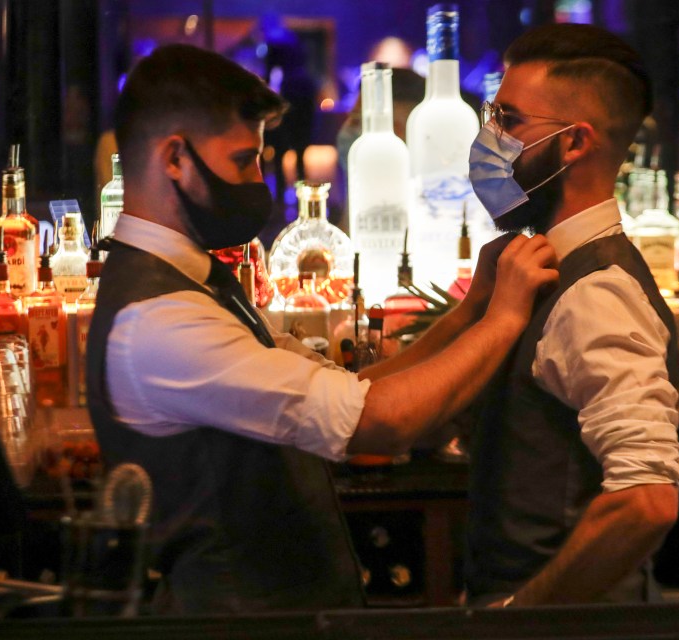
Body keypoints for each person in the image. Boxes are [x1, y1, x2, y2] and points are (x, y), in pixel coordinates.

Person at [86, 44, 558, 615]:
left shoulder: (190, 283)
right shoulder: (158, 321)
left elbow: (352, 386)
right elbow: (376, 422)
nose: (257, 183)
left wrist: (471, 310)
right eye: (243, 161)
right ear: (174, 159)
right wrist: (506, 317)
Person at [464, 24, 679, 607]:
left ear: (575, 143)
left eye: (508, 121)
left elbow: (646, 500)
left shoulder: (596, 293)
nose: (489, 138)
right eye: (491, 115)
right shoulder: (541, 268)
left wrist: (523, 615)